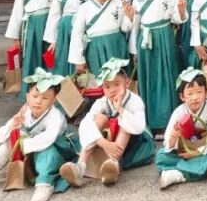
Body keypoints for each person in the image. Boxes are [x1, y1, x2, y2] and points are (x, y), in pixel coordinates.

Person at [0, 69, 78, 201]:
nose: (38, 101)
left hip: (56, 151)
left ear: (53, 100)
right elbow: (1, 136)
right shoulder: (25, 111)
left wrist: (22, 143)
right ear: (27, 97)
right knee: (9, 142)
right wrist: (13, 124)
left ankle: (44, 183)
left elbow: (48, 139)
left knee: (47, 152)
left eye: (45, 98)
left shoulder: (55, 116)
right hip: (30, 150)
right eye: (35, 96)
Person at [61, 58, 156, 188]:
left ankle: (113, 163)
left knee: (125, 123)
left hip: (135, 142)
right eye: (107, 86)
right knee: (99, 118)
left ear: (127, 83)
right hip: (109, 143)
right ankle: (80, 166)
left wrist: (120, 109)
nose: (112, 90)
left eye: (117, 84)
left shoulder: (135, 100)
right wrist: (103, 143)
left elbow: (138, 127)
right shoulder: (102, 102)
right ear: (102, 87)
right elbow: (85, 125)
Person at [127, 0, 182, 132]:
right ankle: (150, 121)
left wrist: (181, 11)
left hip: (164, 36)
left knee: (166, 77)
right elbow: (135, 23)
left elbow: (177, 19)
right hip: (144, 38)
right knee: (147, 77)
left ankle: (167, 121)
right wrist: (134, 49)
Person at [157, 69, 207, 189]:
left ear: (206, 92)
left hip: (205, 150)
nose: (195, 97)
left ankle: (180, 175)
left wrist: (197, 152)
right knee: (161, 156)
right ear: (182, 96)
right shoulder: (178, 112)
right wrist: (173, 137)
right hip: (186, 152)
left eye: (199, 92)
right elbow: (168, 143)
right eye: (190, 93)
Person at [6, 0, 59, 94]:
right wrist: (15, 37)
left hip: (49, 25)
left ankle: (51, 93)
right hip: (30, 28)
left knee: (50, 59)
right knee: (31, 57)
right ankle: (31, 93)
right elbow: (17, 12)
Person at [68, 0, 129, 78]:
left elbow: (125, 28)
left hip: (116, 45)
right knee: (98, 80)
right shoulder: (84, 7)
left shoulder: (119, 4)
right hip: (94, 48)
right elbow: (77, 34)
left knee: (117, 78)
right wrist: (79, 60)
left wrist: (129, 17)